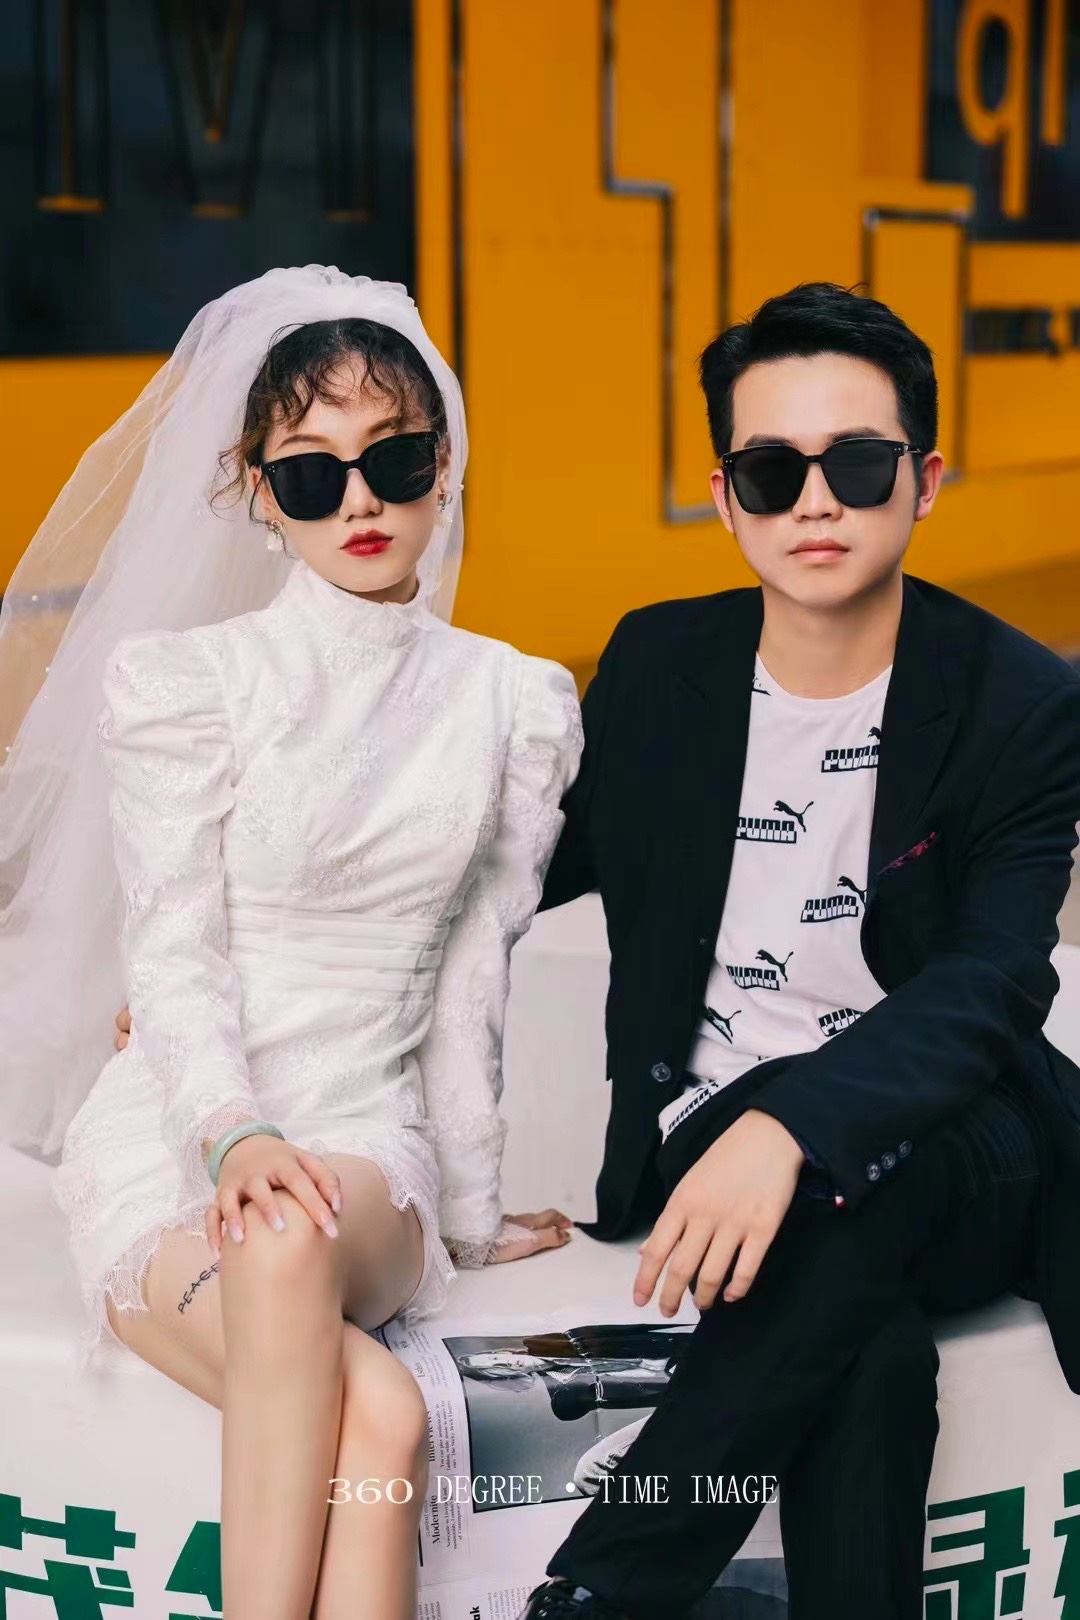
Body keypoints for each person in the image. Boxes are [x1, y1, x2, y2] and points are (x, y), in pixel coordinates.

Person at [0, 265, 582, 1620]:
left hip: (367, 1144)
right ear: (259, 496)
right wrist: (229, 1133)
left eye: (393, 459)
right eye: (313, 474)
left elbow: (472, 979)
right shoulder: (185, 685)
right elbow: (175, 950)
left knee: (288, 1234)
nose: (360, 501)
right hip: (176, 1140)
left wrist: (474, 1213)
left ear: (442, 465)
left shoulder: (514, 702)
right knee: (381, 1413)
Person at [518, 281, 1080, 1619]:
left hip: (957, 1139)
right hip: (712, 1143)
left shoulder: (1022, 698)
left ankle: (598, 1595)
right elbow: (518, 872)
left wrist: (797, 1129)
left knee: (844, 1200)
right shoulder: (660, 664)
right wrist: (255, 956)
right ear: (727, 499)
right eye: (773, 472)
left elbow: (994, 980)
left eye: (860, 465)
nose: (815, 503)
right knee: (863, 1350)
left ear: (925, 480)